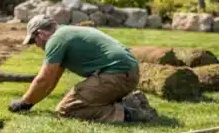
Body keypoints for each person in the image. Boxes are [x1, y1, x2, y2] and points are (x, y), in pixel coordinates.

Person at [8, 15, 157, 123]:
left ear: (40, 34)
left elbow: (44, 79)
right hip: (128, 72)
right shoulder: (66, 33)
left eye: (34, 41)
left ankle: (129, 112)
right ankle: (135, 100)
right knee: (74, 102)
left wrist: (24, 103)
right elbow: (51, 81)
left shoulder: (56, 40)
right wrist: (31, 102)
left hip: (116, 75)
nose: (37, 45)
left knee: (67, 109)